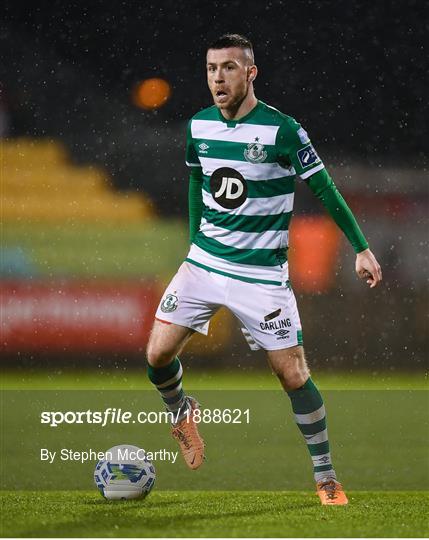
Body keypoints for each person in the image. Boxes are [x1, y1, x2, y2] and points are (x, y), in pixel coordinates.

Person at [146, 34, 382, 505]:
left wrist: (361, 248)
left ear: (251, 73)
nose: (218, 77)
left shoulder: (283, 130)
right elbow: (197, 179)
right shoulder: (198, 126)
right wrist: (196, 241)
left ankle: (326, 476)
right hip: (205, 262)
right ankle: (182, 412)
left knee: (291, 373)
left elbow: (326, 188)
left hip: (260, 274)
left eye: (229, 68)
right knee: (156, 356)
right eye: (212, 68)